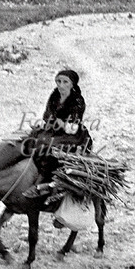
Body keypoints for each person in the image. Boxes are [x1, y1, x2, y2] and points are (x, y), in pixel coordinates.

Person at [22, 69, 91, 198]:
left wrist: (58, 121)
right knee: (32, 139)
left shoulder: (77, 100)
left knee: (49, 147)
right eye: (58, 81)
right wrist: (49, 122)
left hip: (73, 135)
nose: (60, 85)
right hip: (54, 129)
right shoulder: (54, 95)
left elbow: (72, 127)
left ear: (72, 84)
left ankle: (43, 181)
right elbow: (47, 114)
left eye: (65, 82)